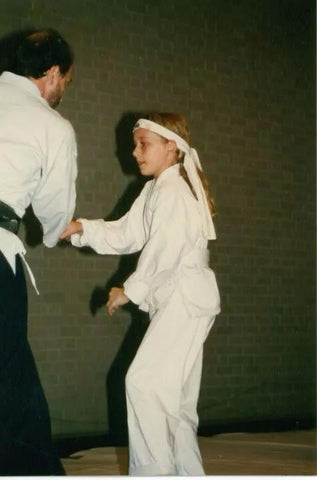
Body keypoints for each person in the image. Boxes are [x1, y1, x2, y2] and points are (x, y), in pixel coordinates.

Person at [60, 113, 220, 476]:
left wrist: (128, 292)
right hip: (184, 299)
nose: (134, 152)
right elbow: (127, 234)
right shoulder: (157, 189)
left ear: (171, 147)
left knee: (144, 384)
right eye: (135, 144)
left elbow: (164, 250)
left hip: (184, 297)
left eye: (143, 144)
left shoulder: (175, 191)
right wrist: (80, 228)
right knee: (173, 403)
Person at [0, 28, 77, 475]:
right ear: (50, 73)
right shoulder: (51, 126)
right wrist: (57, 231)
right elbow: (54, 216)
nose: (63, 90)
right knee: (14, 391)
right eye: (65, 81)